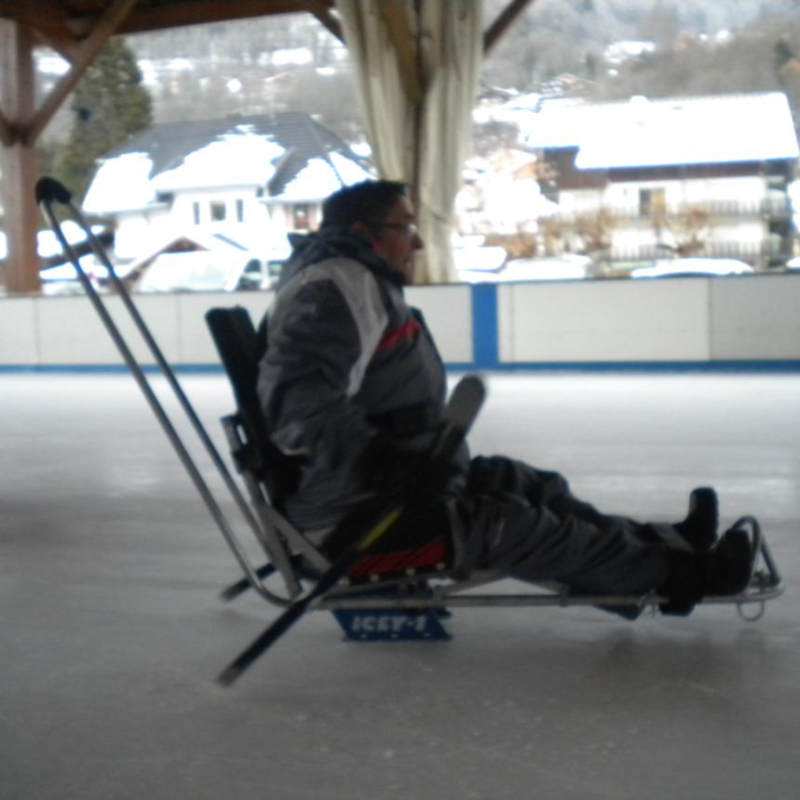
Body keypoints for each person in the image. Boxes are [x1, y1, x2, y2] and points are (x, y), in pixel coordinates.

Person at [256, 179, 753, 616]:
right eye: (405, 227)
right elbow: (297, 402)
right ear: (366, 235)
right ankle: (685, 577)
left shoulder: (353, 282)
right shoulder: (336, 288)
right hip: (353, 517)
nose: (419, 241)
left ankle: (667, 547)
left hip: (387, 486)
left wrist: (403, 461)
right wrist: (379, 463)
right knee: (507, 525)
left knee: (526, 485)